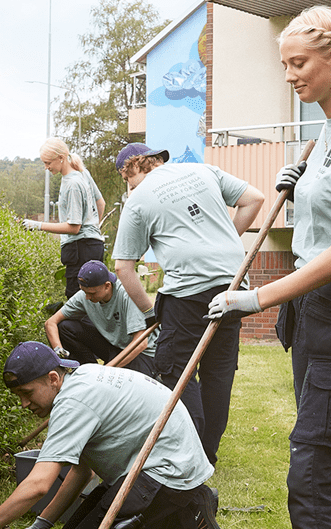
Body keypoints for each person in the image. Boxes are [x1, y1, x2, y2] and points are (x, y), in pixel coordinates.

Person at [207, 5, 331, 529]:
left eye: (299, 63)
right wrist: (301, 178)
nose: (291, 75)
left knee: (314, 467)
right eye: (285, 66)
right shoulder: (327, 134)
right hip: (319, 312)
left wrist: (253, 299)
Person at [111, 142, 266, 466]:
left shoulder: (137, 199)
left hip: (188, 294)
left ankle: (192, 454)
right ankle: (207, 454)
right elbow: (255, 199)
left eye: (125, 176)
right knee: (218, 373)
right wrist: (225, 239)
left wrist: (150, 312)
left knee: (174, 371)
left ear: (132, 168)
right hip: (232, 287)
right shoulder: (202, 170)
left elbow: (123, 267)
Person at [0, 341, 220, 529]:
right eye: (18, 397)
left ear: (53, 378)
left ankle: (192, 512)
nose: (24, 404)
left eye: (27, 393)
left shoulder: (73, 403)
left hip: (168, 473)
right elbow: (81, 471)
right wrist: (43, 523)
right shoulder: (81, 378)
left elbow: (38, 485)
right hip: (152, 465)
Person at [44, 260, 157, 378]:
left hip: (141, 353)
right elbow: (50, 323)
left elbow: (141, 343)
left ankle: (100, 374)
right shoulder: (85, 295)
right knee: (65, 327)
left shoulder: (126, 294)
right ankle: (87, 373)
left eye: (92, 293)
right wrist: (59, 351)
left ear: (107, 285)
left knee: (129, 387)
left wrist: (107, 369)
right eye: (84, 291)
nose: (87, 297)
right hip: (115, 345)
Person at [23, 137, 106, 299]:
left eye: (48, 163)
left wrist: (37, 225)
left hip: (80, 249)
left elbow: (74, 228)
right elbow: (101, 203)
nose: (46, 168)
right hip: (93, 245)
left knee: (77, 300)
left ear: (61, 158)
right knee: (94, 299)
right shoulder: (83, 173)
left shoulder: (72, 184)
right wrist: (93, 228)